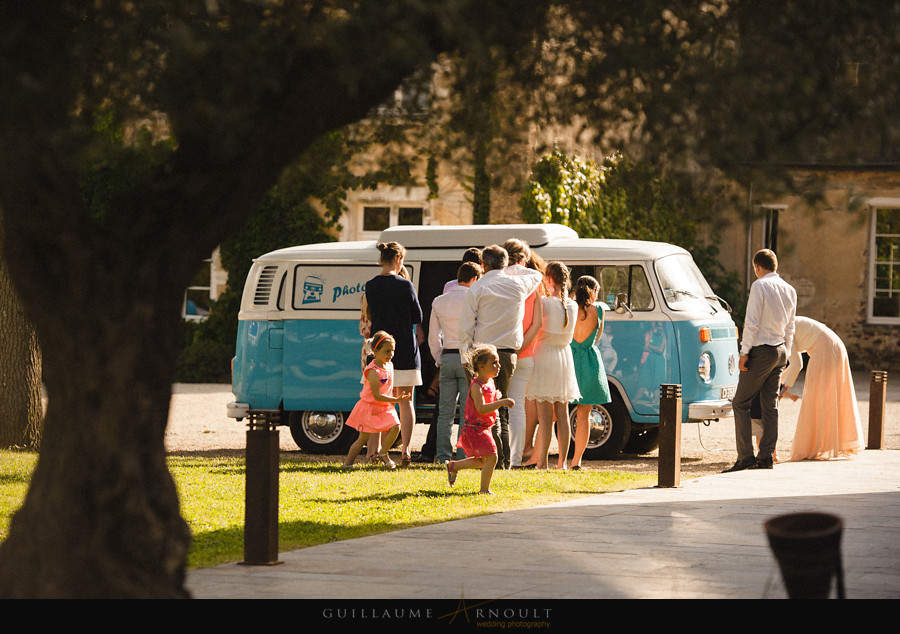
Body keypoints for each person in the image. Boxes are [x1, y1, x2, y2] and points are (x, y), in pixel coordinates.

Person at [458, 245, 543, 469]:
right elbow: (536, 274)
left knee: (482, 408)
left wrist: (466, 357)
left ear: (483, 265)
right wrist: (511, 270)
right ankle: (503, 462)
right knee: (501, 409)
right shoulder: (518, 284)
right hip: (507, 355)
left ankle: (489, 459)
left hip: (482, 354)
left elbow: (466, 326)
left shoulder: (477, 288)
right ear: (505, 264)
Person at [724, 248, 796, 472]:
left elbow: (752, 321)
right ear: (775, 266)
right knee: (770, 405)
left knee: (740, 402)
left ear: (757, 266)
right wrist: (787, 354)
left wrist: (744, 353)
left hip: (761, 351)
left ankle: (745, 456)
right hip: (780, 351)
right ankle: (766, 457)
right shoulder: (790, 290)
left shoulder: (760, 285)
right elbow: (790, 327)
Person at [362, 241, 423, 466]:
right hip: (404, 348)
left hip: (378, 348)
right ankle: (406, 449)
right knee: (405, 401)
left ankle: (373, 452)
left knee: (377, 400)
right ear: (398, 260)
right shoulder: (405, 285)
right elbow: (418, 316)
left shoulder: (370, 285)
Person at [781, 316, 865, 461]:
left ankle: (813, 448)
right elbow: (795, 363)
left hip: (826, 349)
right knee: (825, 398)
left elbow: (796, 365)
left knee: (816, 398)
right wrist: (781, 381)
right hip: (834, 345)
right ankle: (827, 444)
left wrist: (782, 390)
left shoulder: (782, 330)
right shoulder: (786, 324)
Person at [525, 261, 581, 470]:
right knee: (563, 414)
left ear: (549, 279)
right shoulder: (573, 305)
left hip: (544, 355)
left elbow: (535, 327)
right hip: (564, 358)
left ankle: (542, 463)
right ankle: (563, 463)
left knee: (545, 416)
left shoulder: (545, 303)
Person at [428, 262, 483, 465]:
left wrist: (438, 358)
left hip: (448, 356)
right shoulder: (475, 299)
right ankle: (462, 455)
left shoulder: (439, 301)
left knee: (445, 411)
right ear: (475, 279)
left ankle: (442, 456)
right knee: (466, 411)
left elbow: (435, 336)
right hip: (468, 357)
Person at [446, 344, 514, 494]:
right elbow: (481, 408)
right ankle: (484, 490)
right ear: (481, 366)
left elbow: (490, 399)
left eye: (498, 362)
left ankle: (454, 466)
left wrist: (497, 397)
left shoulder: (490, 382)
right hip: (475, 428)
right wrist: (501, 402)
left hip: (485, 427)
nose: (499, 366)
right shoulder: (477, 386)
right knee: (492, 456)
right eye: (494, 363)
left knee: (484, 460)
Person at [502, 238, 544, 468]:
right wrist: (521, 346)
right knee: (517, 407)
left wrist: (511, 347)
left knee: (498, 403)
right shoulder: (533, 280)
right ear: (525, 258)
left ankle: (497, 454)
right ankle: (515, 458)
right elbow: (537, 323)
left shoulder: (499, 277)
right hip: (526, 352)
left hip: (500, 349)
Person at [342, 331, 410, 469]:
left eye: (392, 351)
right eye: (387, 351)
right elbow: (377, 396)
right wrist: (396, 399)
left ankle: (383, 453)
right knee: (362, 439)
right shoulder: (372, 371)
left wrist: (393, 397)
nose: (390, 354)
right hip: (370, 408)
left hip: (385, 406)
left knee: (396, 427)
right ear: (375, 351)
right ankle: (347, 464)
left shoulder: (389, 365)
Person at [569, 275, 611, 470]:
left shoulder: (568, 307)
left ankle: (559, 459)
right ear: (594, 291)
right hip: (588, 361)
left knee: (559, 412)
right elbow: (597, 337)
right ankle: (576, 461)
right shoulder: (599, 310)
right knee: (584, 414)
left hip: (569, 358)